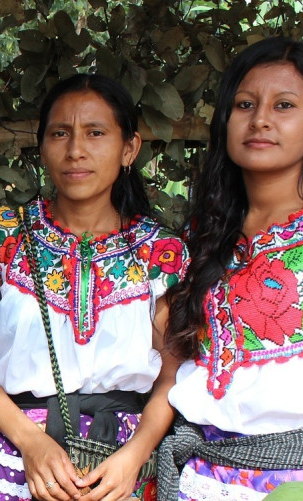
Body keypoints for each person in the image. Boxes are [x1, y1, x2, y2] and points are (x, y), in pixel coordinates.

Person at [0, 74, 189, 501]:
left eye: (95, 133)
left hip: (123, 469)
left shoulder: (161, 252)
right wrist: (32, 442)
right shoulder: (3, 237)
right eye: (60, 133)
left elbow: (173, 376)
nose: (76, 149)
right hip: (15, 456)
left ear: (129, 149)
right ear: (42, 147)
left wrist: (135, 455)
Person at [161, 37, 303, 500]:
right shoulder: (201, 239)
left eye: (284, 105)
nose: (260, 119)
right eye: (245, 104)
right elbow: (171, 361)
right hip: (200, 476)